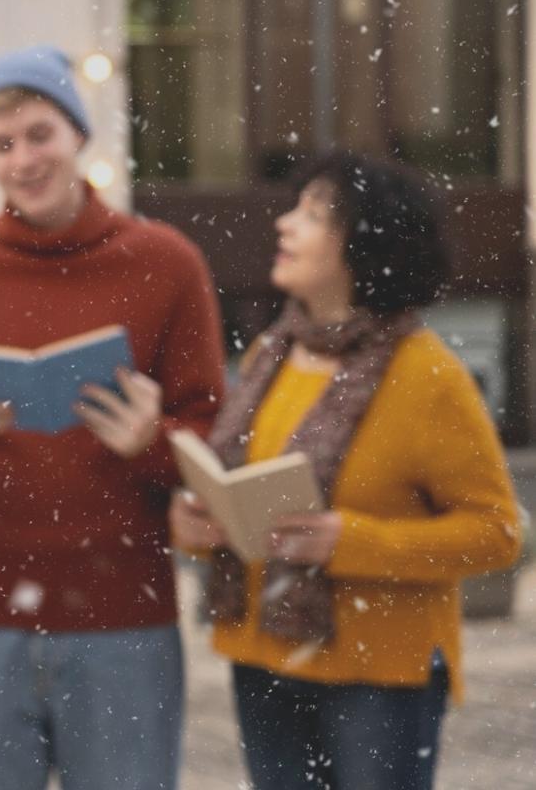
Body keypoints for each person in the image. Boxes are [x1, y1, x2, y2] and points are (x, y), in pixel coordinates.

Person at [0, 45, 226, 790]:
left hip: (122, 613)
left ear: (78, 132)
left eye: (39, 134)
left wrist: (152, 442)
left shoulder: (165, 263)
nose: (22, 159)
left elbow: (212, 438)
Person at [169, 152, 523, 790]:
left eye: (310, 215)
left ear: (364, 245)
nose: (284, 225)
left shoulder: (427, 374)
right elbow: (245, 489)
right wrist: (201, 522)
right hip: (264, 656)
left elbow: (497, 532)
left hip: (378, 677)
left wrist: (352, 541)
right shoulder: (271, 356)